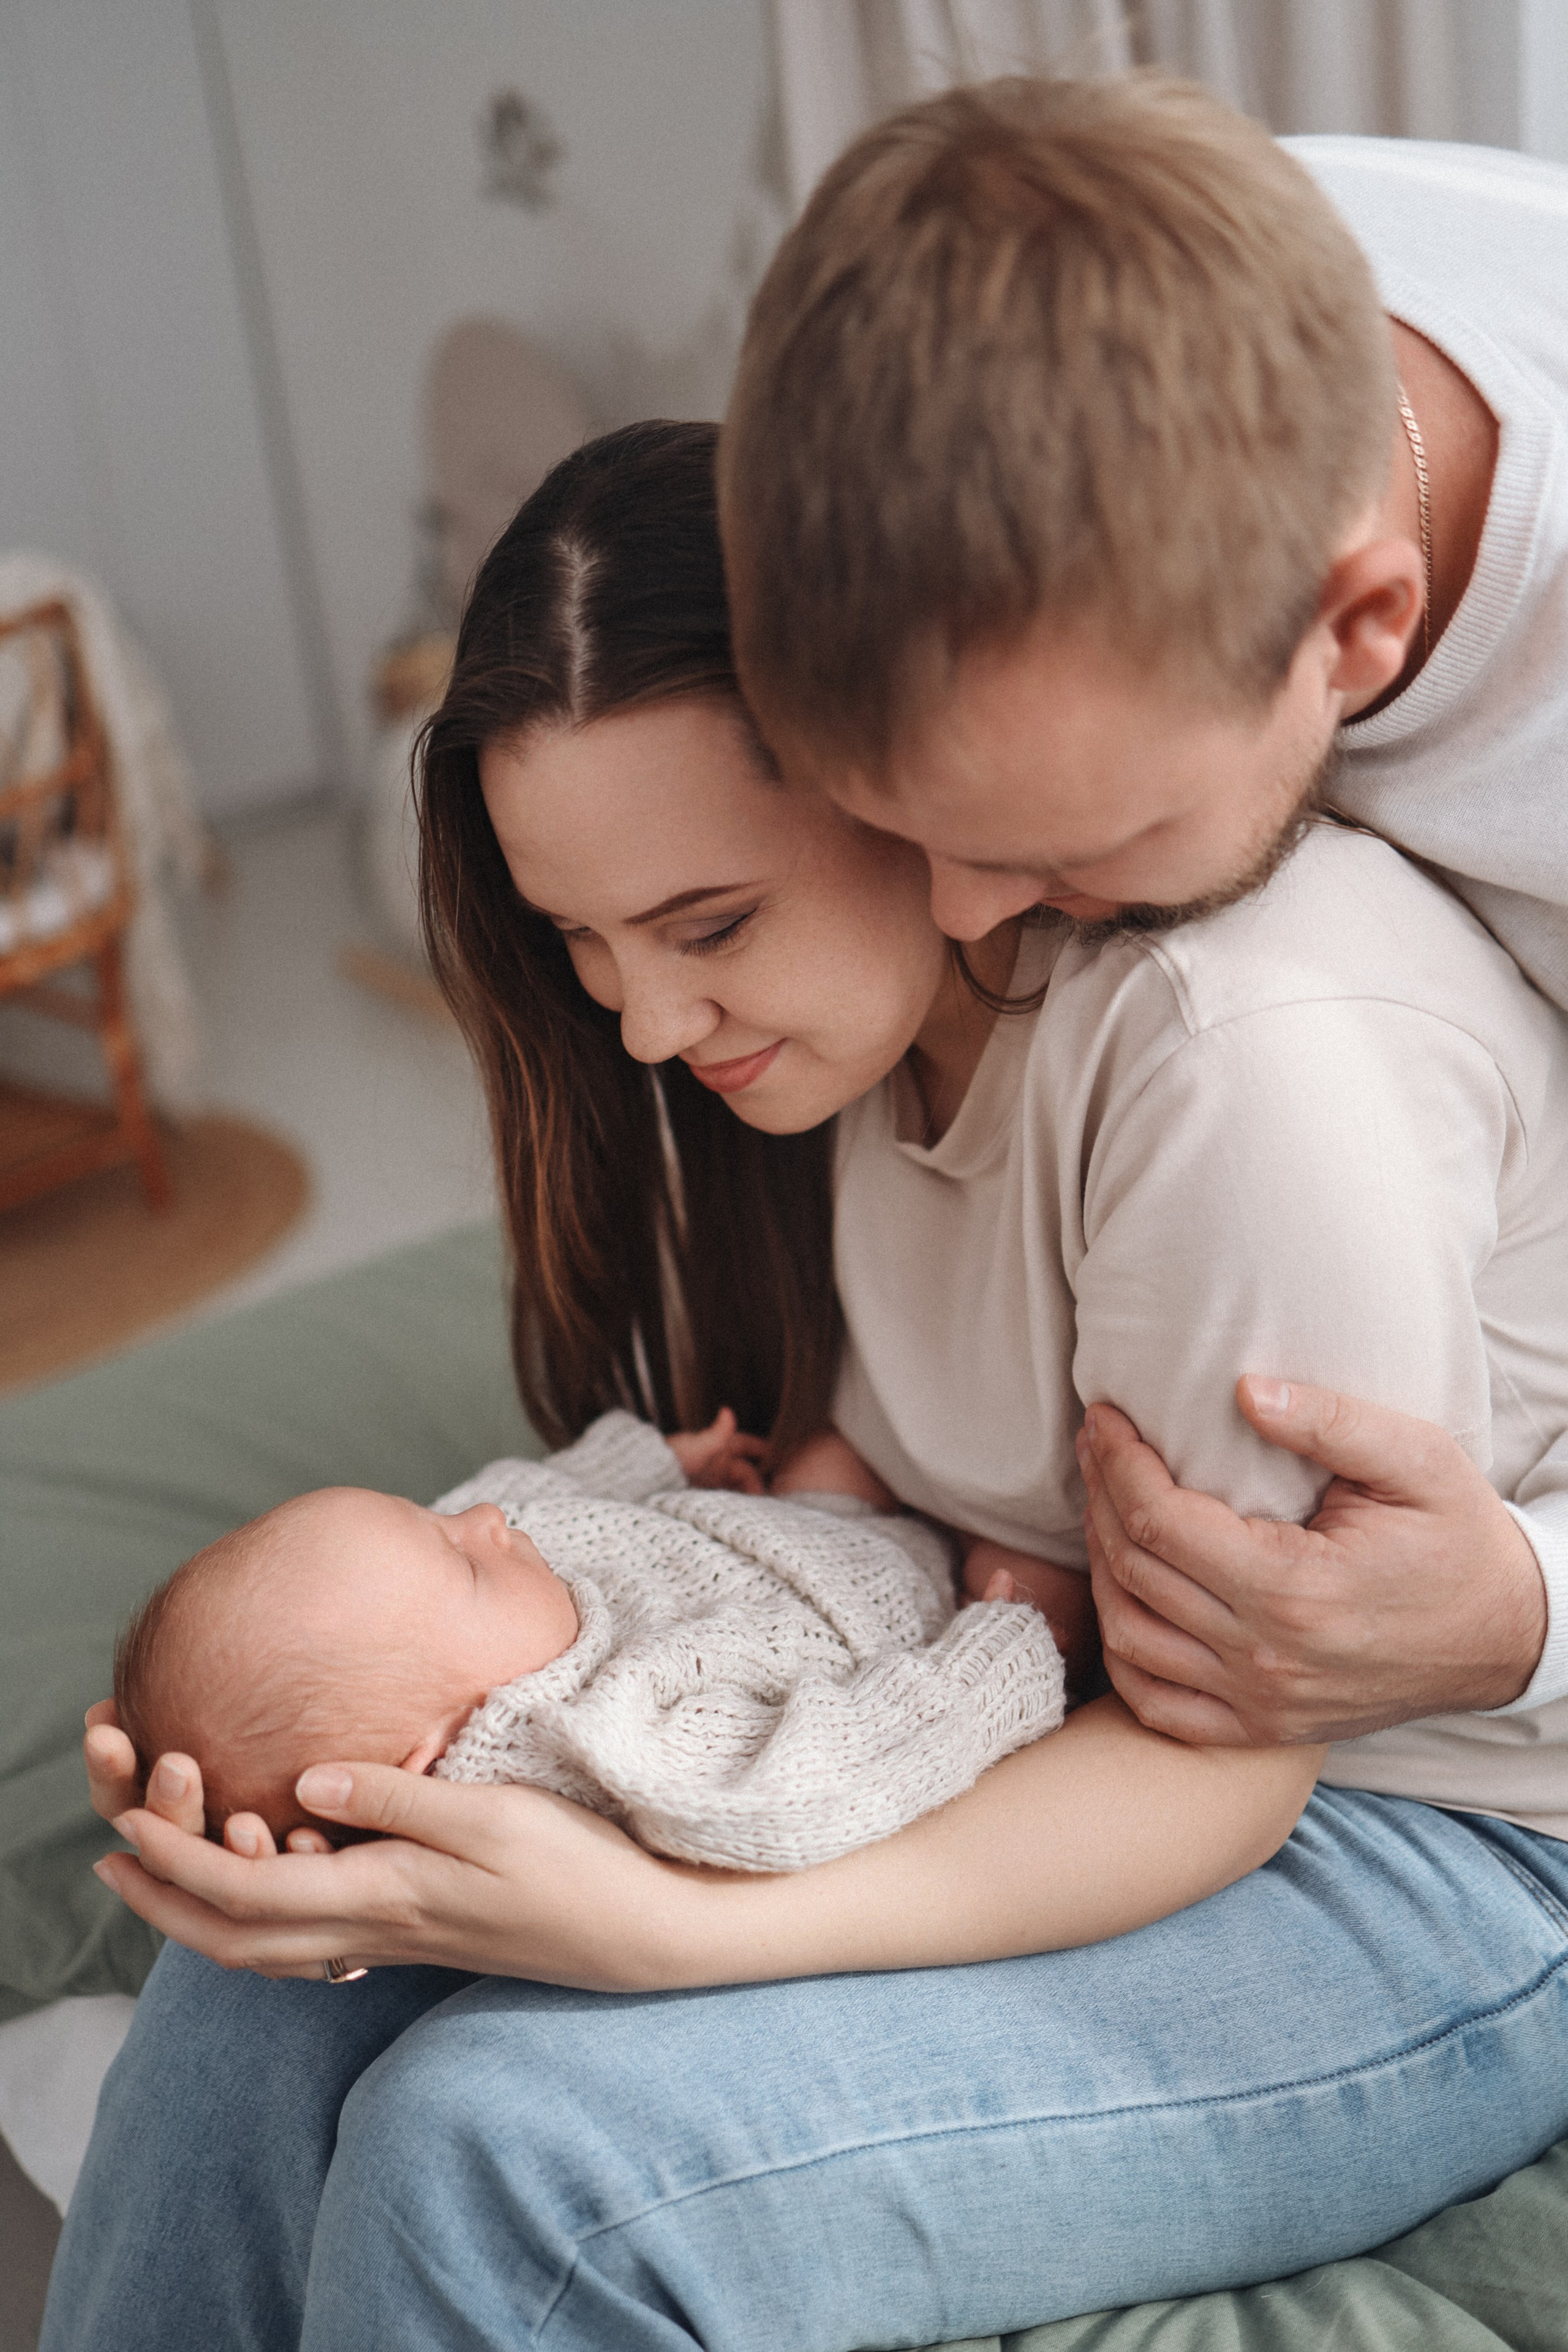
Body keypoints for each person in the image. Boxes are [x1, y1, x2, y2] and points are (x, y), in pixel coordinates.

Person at [48, 421, 1568, 2351]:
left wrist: (676, 1932)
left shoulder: (1232, 1068)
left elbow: (1232, 1764)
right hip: (1000, 1706)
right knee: (267, 1974)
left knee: (497, 2162)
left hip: (1416, 1842)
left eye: (709, 927)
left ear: (904, 774)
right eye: (585, 944)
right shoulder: (841, 1043)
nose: (653, 1023)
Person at [718, 72, 1568, 1756]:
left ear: (1361, 631)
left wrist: (1521, 1613)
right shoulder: (1110, 282)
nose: (961, 912)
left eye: (1059, 846)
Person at [111, 1408, 1066, 1870]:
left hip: (796, 1520)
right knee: (1047, 1576)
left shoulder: (461, 1605)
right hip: (910, 1623)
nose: (483, 1519)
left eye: (428, 1517)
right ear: (436, 1753)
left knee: (839, 1432)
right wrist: (989, 1664)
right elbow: (828, 1768)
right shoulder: (613, 1739)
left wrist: (653, 1459)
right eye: (467, 1562)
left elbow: (527, 1490)